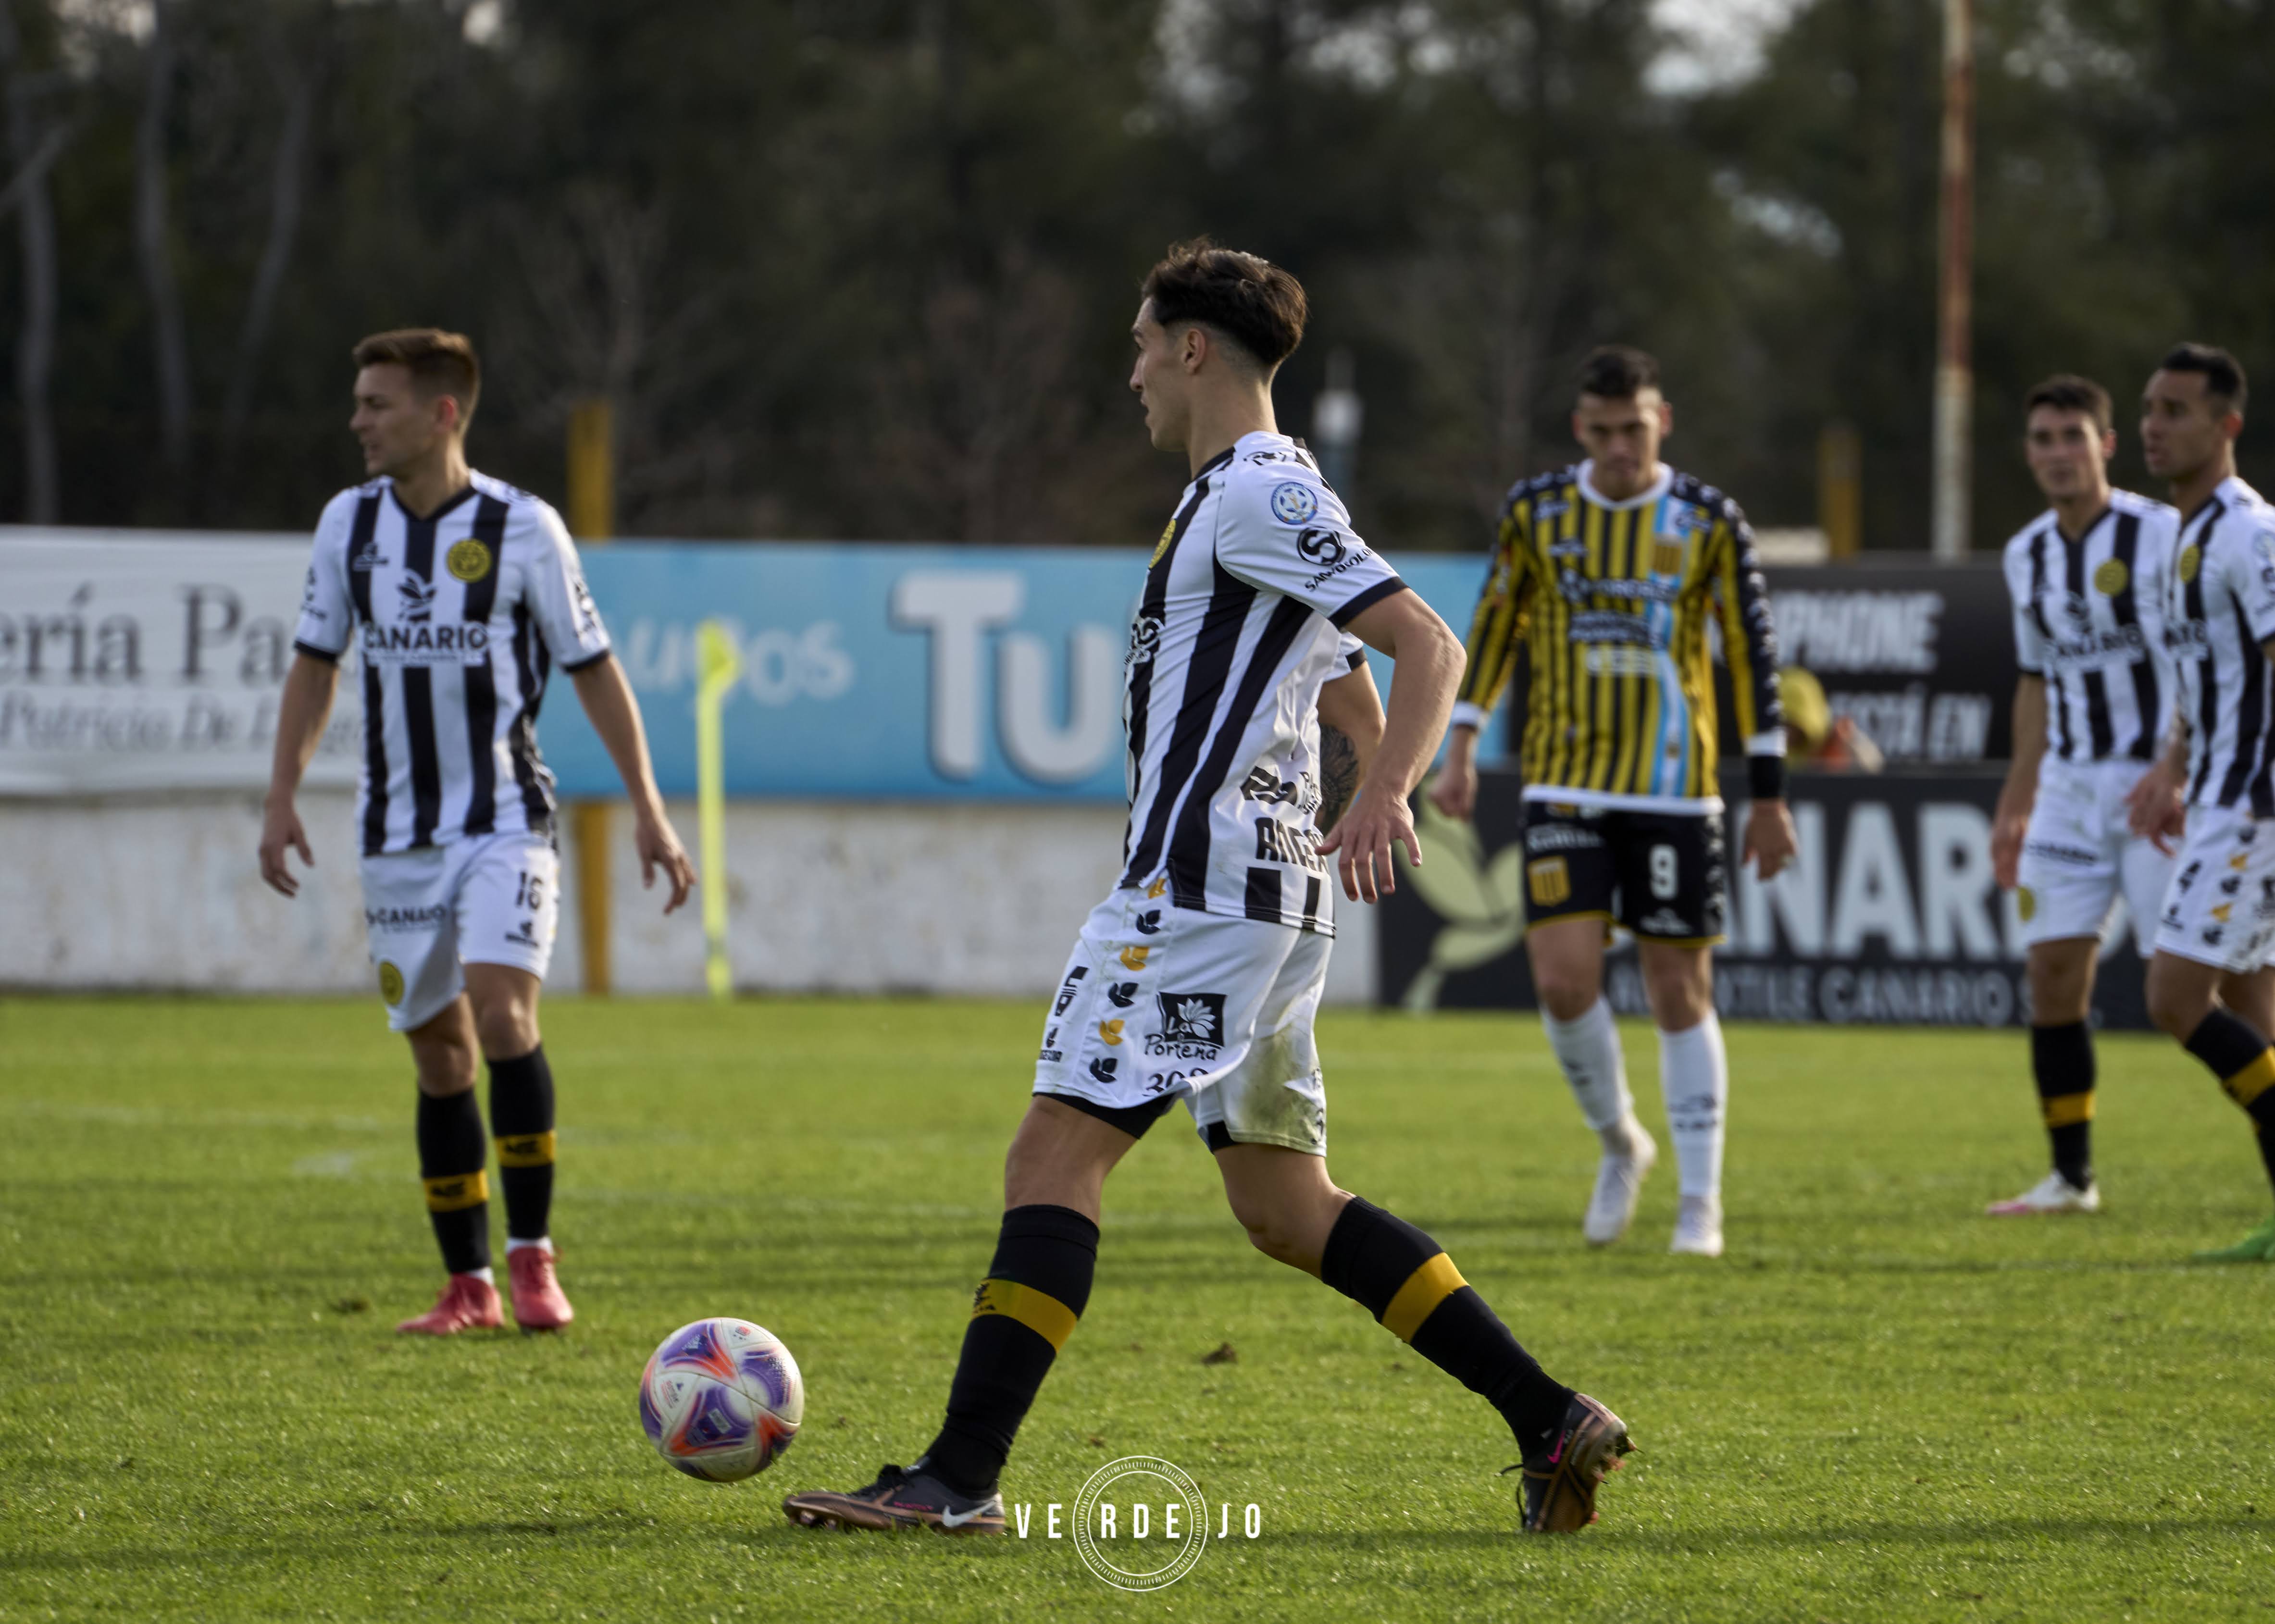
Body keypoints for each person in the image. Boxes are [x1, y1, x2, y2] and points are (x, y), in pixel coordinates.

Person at [783, 240, 1631, 1538]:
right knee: (1286, 1207)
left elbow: (1427, 642)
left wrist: (1388, 784)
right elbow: (1334, 667)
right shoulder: (1241, 503)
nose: (1128, 374)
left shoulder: (1250, 488)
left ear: (1190, 348)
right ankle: (1545, 1413)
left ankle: (955, 1481)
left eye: (1136, 345)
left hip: (1197, 892)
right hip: (1267, 900)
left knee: (1051, 1156)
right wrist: (1351, 751)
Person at [258, 328, 696, 1333]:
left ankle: (535, 1263)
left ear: (442, 412)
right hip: (396, 833)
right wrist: (280, 794)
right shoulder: (348, 524)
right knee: (439, 1056)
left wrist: (648, 806)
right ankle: (469, 1285)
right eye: (359, 401)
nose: (358, 421)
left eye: (378, 403)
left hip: (507, 817)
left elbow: (593, 665)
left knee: (504, 1016)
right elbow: (316, 662)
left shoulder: (526, 529)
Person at [1430, 347, 1797, 1259]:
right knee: (1561, 981)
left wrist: (1768, 795)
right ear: (1579, 431)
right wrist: (1462, 743)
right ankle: (1619, 1143)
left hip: (1675, 790)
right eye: (1602, 431)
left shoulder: (1709, 520)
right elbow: (1495, 624)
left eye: (1634, 428)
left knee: (1679, 987)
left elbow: (1752, 657)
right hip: (1562, 779)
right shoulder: (1537, 512)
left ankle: (1699, 1204)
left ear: (1660, 421)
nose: (1620, 446)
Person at [1986, 375, 2180, 1216]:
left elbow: (2201, 659)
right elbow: (2033, 681)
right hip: (2067, 786)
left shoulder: (2163, 535)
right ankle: (2071, 1177)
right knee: (2053, 970)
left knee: (2219, 984)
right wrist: (2016, 797)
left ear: (2106, 444)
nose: (2057, 453)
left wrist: (2179, 765)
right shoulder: (2024, 552)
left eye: (2073, 436)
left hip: (2158, 784)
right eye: (2042, 439)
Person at [2122, 343, 2275, 1261]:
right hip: (2217, 793)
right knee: (2258, 1011)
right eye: (2148, 407)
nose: (2153, 424)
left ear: (2227, 425)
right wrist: (2170, 764)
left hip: (2255, 806)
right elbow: (2202, 676)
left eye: (2175, 409)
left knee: (2175, 997)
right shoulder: (2185, 533)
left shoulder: (2251, 534)